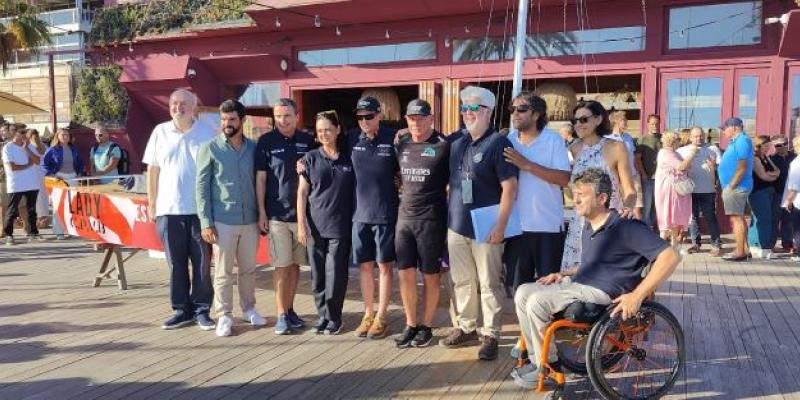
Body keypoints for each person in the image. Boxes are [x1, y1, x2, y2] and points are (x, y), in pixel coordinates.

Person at [510, 168, 680, 388]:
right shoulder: (588, 226)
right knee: (523, 291)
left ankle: (550, 367)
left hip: (603, 292)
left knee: (537, 301)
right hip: (580, 284)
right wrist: (562, 274)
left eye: (582, 194)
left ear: (602, 198)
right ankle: (537, 360)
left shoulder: (626, 226)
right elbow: (593, 264)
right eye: (575, 194)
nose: (575, 199)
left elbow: (670, 256)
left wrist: (637, 295)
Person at [441, 86, 518, 361]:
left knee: (489, 283)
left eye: (473, 108)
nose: (467, 113)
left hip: (486, 226)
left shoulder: (499, 143)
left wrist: (500, 226)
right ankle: (466, 327)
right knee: (461, 281)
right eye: (464, 108)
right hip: (457, 223)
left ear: (488, 112)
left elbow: (510, 187)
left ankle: (491, 334)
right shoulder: (457, 141)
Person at [143, 89, 217, 330]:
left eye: (184, 103)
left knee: (202, 264)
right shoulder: (160, 132)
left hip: (199, 211)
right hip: (168, 210)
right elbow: (152, 170)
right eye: (174, 103)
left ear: (194, 106)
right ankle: (181, 310)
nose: (178, 107)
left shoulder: (207, 133)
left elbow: (216, 171)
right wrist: (152, 203)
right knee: (176, 264)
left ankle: (202, 310)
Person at [196, 100, 266, 337]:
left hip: (250, 219)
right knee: (223, 272)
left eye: (232, 119)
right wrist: (206, 222)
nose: (227, 123)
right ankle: (224, 315)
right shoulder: (209, 148)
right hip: (222, 220)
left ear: (242, 120)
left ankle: (249, 309)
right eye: (224, 119)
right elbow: (201, 188)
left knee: (248, 269)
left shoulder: (254, 148)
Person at [392, 99, 450, 348]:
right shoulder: (401, 143)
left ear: (431, 119)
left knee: (430, 276)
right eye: (412, 118)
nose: (416, 123)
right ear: (406, 120)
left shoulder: (443, 145)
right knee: (404, 273)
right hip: (404, 218)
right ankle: (411, 324)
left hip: (431, 220)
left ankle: (426, 326)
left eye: (421, 118)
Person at [255, 98, 314, 335]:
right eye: (278, 116)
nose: (282, 120)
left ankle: (290, 310)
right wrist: (261, 211)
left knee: (295, 266)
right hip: (276, 216)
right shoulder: (266, 142)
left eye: (287, 115)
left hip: (301, 217)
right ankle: (281, 315)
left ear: (296, 116)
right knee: (281, 266)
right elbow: (260, 179)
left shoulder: (308, 141)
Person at [502, 92, 570, 290]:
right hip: (516, 228)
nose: (515, 113)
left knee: (549, 290)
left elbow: (564, 179)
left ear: (537, 114)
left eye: (521, 109)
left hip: (547, 227)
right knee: (517, 289)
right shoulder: (508, 140)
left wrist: (527, 165)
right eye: (512, 109)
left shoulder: (553, 140)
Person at [297, 110, 355, 336]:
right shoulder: (309, 159)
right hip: (315, 228)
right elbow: (302, 193)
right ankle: (322, 316)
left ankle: (334, 317)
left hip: (340, 227)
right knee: (318, 274)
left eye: (328, 130)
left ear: (338, 129)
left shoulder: (349, 157)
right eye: (320, 131)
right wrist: (301, 224)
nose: (324, 134)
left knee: (336, 274)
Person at [561, 101, 637, 271]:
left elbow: (630, 190)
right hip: (580, 222)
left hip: (608, 221)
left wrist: (628, 209)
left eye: (583, 119)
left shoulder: (616, 147)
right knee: (577, 273)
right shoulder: (573, 149)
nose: (578, 124)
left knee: (606, 272)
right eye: (575, 121)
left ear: (598, 119)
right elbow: (571, 189)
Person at [349, 96, 398, 340]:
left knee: (385, 266)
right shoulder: (351, 138)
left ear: (379, 115)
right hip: (359, 214)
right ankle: (368, 314)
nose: (364, 121)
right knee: (365, 266)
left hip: (385, 213)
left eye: (369, 116)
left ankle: (382, 316)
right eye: (360, 117)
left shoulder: (394, 137)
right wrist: (303, 161)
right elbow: (326, 148)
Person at [678, 126, 721, 255]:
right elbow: (678, 168)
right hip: (690, 190)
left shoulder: (713, 149)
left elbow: (720, 167)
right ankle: (695, 244)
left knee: (710, 217)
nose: (699, 138)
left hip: (708, 190)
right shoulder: (681, 151)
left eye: (701, 135)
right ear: (690, 137)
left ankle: (716, 244)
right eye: (696, 136)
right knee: (693, 218)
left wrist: (713, 167)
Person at [718, 117, 754, 262]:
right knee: (739, 217)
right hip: (736, 186)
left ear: (734, 127)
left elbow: (742, 167)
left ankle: (740, 252)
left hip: (737, 187)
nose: (723, 131)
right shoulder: (736, 141)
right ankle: (745, 250)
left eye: (724, 128)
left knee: (736, 218)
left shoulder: (741, 141)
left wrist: (731, 186)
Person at [2, 127, 43, 245]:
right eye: (22, 133)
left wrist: (26, 149)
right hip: (16, 185)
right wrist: (27, 165)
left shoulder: (29, 146)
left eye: (26, 133)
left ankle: (33, 233)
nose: (25, 135)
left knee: (32, 210)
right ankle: (9, 235)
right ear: (14, 134)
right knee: (12, 210)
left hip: (32, 183)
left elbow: (37, 161)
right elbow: (12, 167)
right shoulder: (8, 148)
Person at [654, 131, 694, 250]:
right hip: (668, 190)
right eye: (678, 140)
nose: (680, 142)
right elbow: (682, 166)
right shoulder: (666, 153)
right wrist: (692, 154)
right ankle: (661, 249)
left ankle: (674, 246)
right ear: (672, 141)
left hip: (675, 189)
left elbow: (687, 166)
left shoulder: (674, 153)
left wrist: (686, 164)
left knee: (674, 217)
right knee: (667, 217)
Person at [43, 128, 85, 240]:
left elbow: (80, 163)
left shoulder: (74, 149)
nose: (65, 137)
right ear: (57, 136)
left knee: (73, 205)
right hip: (59, 179)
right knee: (58, 205)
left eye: (67, 135)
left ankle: (73, 231)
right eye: (63, 135)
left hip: (73, 178)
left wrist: (79, 173)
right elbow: (45, 165)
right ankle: (59, 232)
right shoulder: (52, 150)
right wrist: (53, 175)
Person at [748, 136, 780, 259]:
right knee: (764, 219)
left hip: (769, 191)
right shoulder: (755, 158)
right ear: (758, 146)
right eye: (765, 146)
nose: (767, 148)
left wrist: (771, 174)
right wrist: (772, 176)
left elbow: (777, 171)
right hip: (758, 192)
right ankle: (764, 247)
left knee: (760, 219)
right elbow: (763, 176)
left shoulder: (766, 157)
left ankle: (755, 245)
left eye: (769, 146)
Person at [607, 110, 643, 219]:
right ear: (615, 122)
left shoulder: (628, 137)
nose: (626, 122)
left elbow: (633, 156)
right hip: (618, 180)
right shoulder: (608, 139)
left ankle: (637, 230)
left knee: (637, 209)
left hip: (633, 176)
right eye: (623, 119)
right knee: (622, 211)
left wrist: (638, 172)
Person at [636, 114, 662, 229]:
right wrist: (644, 174)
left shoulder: (663, 138)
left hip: (661, 178)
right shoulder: (643, 139)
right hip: (648, 177)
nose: (655, 126)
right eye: (652, 124)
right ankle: (646, 229)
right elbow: (637, 158)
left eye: (657, 123)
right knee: (647, 205)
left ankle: (655, 229)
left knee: (658, 205)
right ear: (648, 124)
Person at [770, 136, 795, 253]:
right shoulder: (771, 159)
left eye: (784, 143)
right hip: (777, 194)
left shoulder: (795, 157)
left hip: (792, 194)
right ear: (774, 147)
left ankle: (787, 243)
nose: (783, 147)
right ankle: (770, 244)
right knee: (774, 220)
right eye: (778, 145)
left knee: (789, 220)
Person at [781, 136, 800, 262]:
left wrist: (789, 200)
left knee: (798, 227)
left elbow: (794, 185)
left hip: (798, 200)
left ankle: (799, 253)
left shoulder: (796, 162)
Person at [25, 129, 49, 229]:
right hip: (43, 173)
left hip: (34, 174)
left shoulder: (30, 146)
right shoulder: (44, 146)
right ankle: (43, 219)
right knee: (43, 197)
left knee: (38, 197)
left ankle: (40, 219)